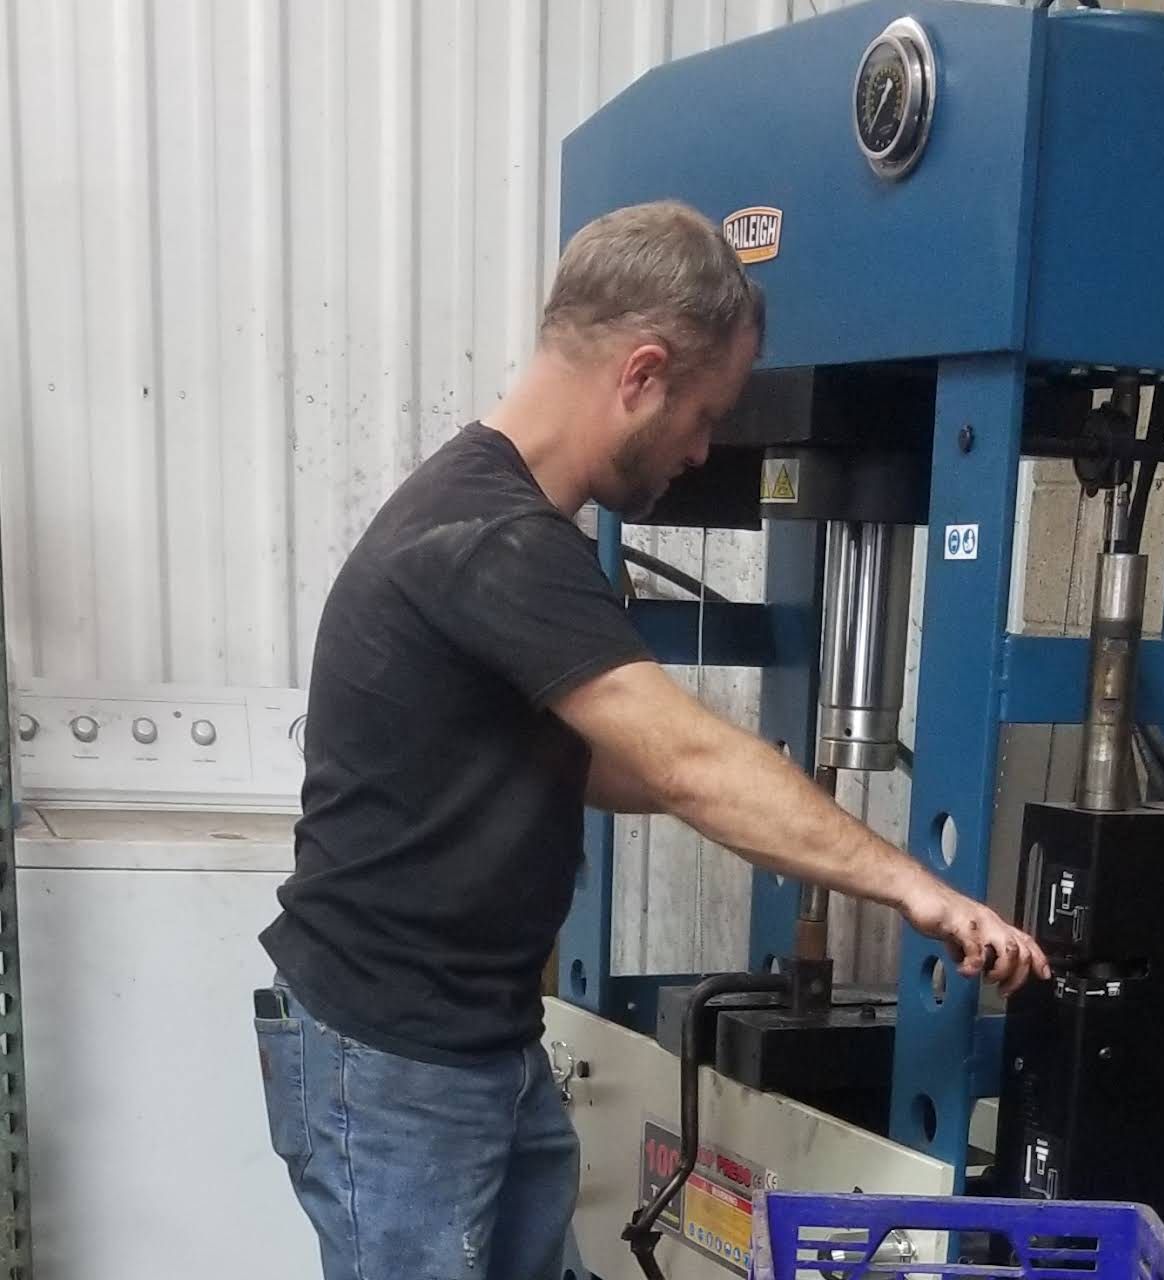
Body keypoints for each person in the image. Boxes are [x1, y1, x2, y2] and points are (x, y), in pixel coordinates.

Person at [253, 199, 1049, 1280]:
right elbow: (687, 758)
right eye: (704, 412)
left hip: (472, 1036)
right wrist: (914, 887)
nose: (703, 448)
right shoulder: (491, 538)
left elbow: (609, 762)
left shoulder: (496, 515)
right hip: (395, 1057)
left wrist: (726, 804)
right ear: (638, 375)